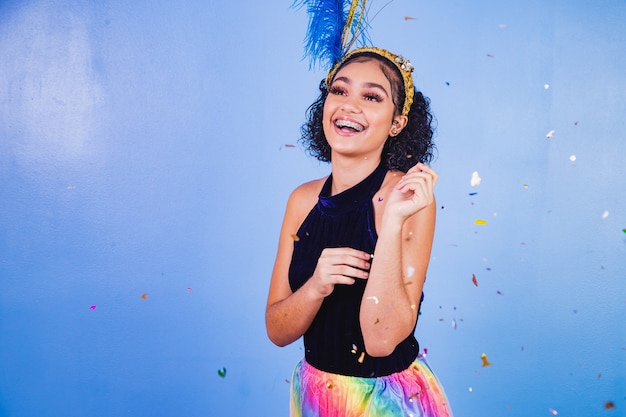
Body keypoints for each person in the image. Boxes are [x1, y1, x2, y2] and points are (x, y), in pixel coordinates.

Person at [265, 46, 453, 416]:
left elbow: (381, 340)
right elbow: (277, 330)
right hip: (316, 397)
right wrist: (317, 285)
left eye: (371, 96)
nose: (349, 105)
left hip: (388, 402)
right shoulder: (302, 200)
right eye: (340, 90)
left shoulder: (409, 199)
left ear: (397, 122)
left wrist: (394, 221)